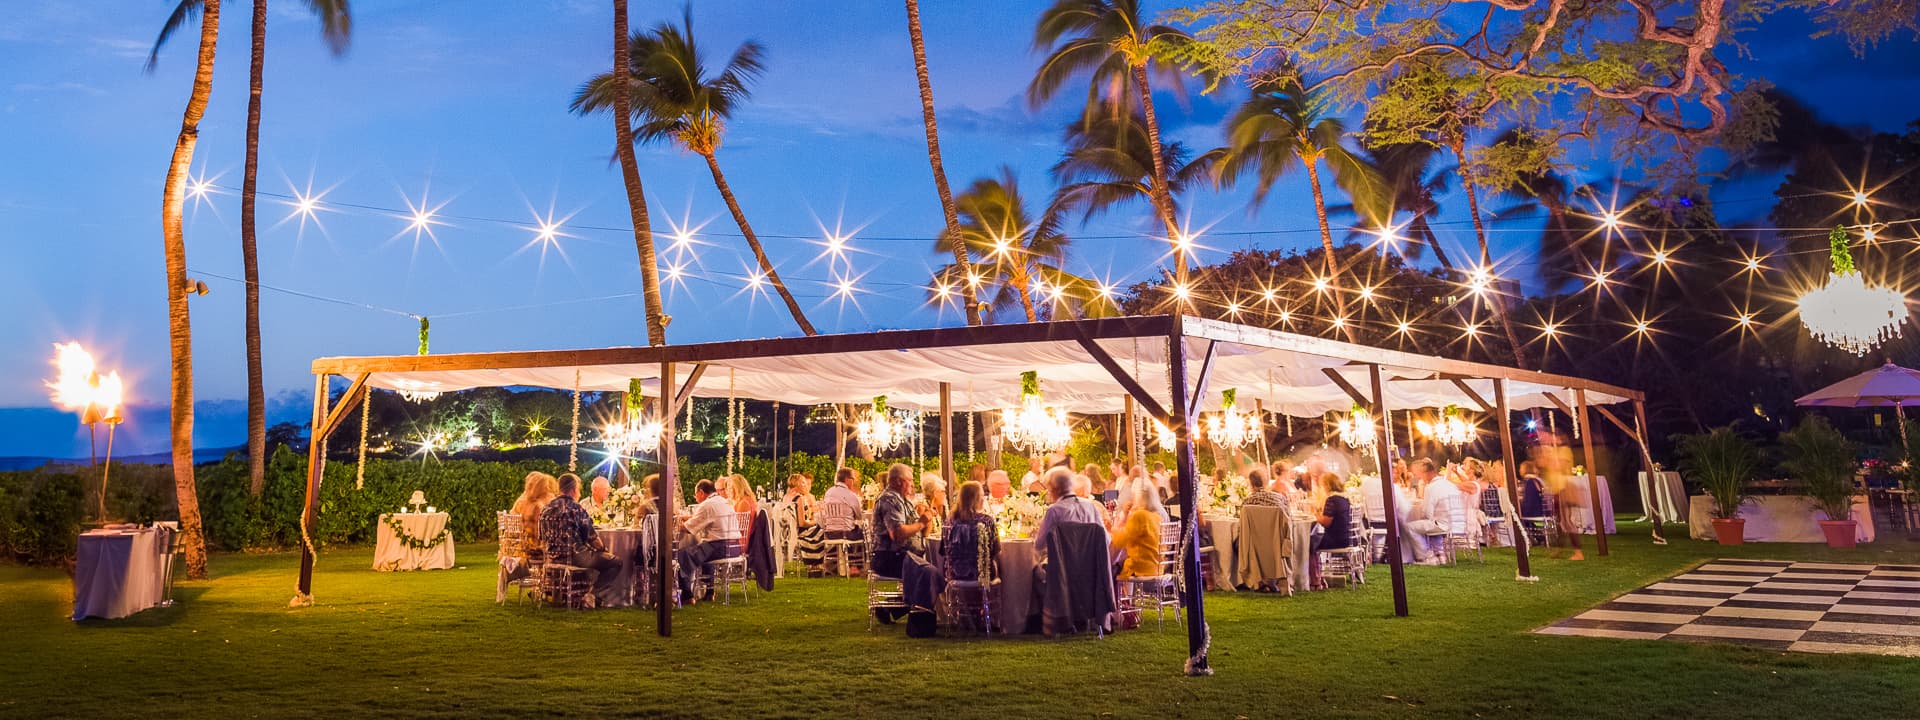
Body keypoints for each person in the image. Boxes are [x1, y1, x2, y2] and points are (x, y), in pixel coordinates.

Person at [540, 473, 622, 602]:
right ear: (574, 490)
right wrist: (603, 550)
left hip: (551, 557)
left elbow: (542, 537)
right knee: (615, 562)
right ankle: (593, 596)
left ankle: (570, 592)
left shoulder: (545, 508)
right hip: (575, 556)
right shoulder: (576, 508)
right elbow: (592, 538)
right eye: (578, 489)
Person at [676, 479, 744, 603]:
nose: (695, 498)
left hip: (718, 547)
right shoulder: (724, 502)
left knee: (681, 554)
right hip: (735, 547)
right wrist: (686, 518)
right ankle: (710, 592)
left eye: (695, 495)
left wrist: (672, 522)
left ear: (701, 492)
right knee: (703, 553)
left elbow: (688, 529)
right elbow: (706, 518)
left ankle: (687, 595)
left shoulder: (707, 505)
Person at [870, 463, 929, 578]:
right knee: (931, 572)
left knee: (936, 567)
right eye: (910, 480)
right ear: (898, 481)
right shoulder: (890, 499)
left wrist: (927, 518)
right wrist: (921, 523)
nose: (912, 484)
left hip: (905, 556)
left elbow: (923, 533)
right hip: (891, 558)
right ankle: (914, 596)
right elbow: (897, 534)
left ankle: (913, 596)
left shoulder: (903, 499)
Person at [1403, 459, 1464, 563]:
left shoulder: (1431, 487)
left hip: (1443, 525)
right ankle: (1440, 554)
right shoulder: (1450, 484)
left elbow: (1427, 513)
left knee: (1409, 527)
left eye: (1420, 474)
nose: (1420, 478)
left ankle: (1426, 556)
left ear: (1427, 473)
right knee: (1427, 525)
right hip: (1458, 524)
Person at [1033, 467, 1104, 557]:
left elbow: (1039, 545)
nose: (1048, 493)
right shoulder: (1090, 506)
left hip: (1062, 568)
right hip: (1090, 567)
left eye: (1049, 489)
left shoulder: (1054, 511)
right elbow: (1105, 539)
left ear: (1055, 489)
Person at [941, 481, 1000, 583]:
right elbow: (996, 550)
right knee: (999, 563)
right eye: (982, 495)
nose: (984, 498)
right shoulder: (987, 521)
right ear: (976, 499)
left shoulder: (949, 521)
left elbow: (943, 551)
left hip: (952, 575)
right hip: (980, 576)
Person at [1110, 484, 1166, 580]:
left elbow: (1120, 541)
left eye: (1134, 497)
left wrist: (1112, 529)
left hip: (1139, 569)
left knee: (1112, 569)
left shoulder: (1139, 516)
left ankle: (1114, 595)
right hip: (1157, 568)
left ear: (1140, 499)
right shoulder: (1157, 517)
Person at [782, 473, 827, 575]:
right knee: (826, 534)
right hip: (803, 533)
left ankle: (816, 565)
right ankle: (817, 565)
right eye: (803, 482)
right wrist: (815, 522)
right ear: (797, 484)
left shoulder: (786, 497)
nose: (806, 485)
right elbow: (802, 523)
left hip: (788, 532)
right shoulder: (799, 499)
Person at [1314, 472, 1353, 551]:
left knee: (1308, 542)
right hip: (1348, 538)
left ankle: (1311, 563)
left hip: (1335, 540)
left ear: (1327, 486)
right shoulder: (1345, 498)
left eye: (1322, 485)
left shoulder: (1332, 500)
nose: (1321, 488)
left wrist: (1315, 515)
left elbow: (1326, 523)